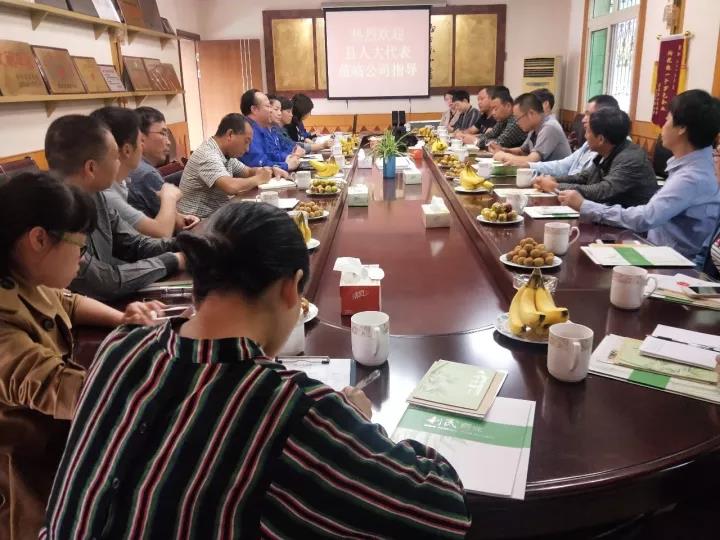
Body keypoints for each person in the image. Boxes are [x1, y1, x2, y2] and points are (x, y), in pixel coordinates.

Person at [42, 202, 471, 539]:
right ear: (291, 288)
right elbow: (442, 512)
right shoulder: (292, 410)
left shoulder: (120, 347)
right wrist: (360, 426)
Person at [0, 173, 161, 540]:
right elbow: (52, 385)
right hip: (27, 475)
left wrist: (121, 318)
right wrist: (153, 391)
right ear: (39, 239)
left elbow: (66, 301)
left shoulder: (22, 274)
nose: (82, 258)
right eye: (81, 247)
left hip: (57, 438)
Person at [559, 89, 720, 263]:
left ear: (682, 128)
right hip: (654, 250)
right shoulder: (693, 166)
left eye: (667, 119)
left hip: (673, 264)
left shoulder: (691, 177)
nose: (663, 126)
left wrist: (585, 206)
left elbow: (645, 218)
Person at [45, 114, 185, 301]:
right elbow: (104, 282)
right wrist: (174, 260)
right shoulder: (53, 212)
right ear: (91, 168)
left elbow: (133, 245)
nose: (119, 162)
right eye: (114, 157)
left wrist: (186, 243)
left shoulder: (97, 195)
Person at [90, 107, 198, 238]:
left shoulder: (122, 181)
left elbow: (134, 242)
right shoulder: (107, 193)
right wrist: (169, 197)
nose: (141, 146)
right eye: (139, 141)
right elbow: (162, 232)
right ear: (127, 149)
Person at [533, 108, 657, 207]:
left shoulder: (630, 159)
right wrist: (554, 180)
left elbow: (602, 190)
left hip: (631, 226)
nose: (585, 136)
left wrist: (555, 187)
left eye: (588, 131)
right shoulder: (608, 150)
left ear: (601, 139)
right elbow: (584, 177)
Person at [177, 113, 274, 218]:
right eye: (246, 142)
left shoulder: (226, 154)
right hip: (199, 222)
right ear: (230, 134)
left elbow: (248, 171)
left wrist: (266, 170)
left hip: (217, 216)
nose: (247, 149)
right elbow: (230, 186)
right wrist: (259, 179)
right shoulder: (207, 154)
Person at [128, 107, 199, 234]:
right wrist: (184, 219)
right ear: (140, 138)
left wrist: (181, 216)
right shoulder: (147, 174)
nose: (169, 142)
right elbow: (178, 225)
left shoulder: (131, 167)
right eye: (163, 134)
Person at [530, 94, 620, 177]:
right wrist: (529, 165)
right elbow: (563, 166)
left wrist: (556, 184)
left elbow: (585, 183)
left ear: (604, 117)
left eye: (588, 115)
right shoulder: (589, 143)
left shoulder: (608, 150)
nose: (583, 120)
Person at [493, 92, 571, 166]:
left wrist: (504, 156)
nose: (517, 123)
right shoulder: (534, 127)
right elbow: (522, 151)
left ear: (531, 113)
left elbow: (531, 161)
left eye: (518, 118)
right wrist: (504, 150)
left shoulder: (549, 127)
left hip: (557, 175)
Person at [240, 88, 301, 171]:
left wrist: (288, 157)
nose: (271, 110)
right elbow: (258, 164)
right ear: (254, 109)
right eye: (268, 106)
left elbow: (271, 154)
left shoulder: (262, 128)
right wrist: (286, 165)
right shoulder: (248, 130)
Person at [457, 86, 527, 149]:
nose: (493, 113)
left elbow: (499, 142)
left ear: (508, 106)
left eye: (495, 109)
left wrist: (475, 141)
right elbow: (490, 135)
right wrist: (467, 137)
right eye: (492, 109)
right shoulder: (503, 119)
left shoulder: (515, 120)